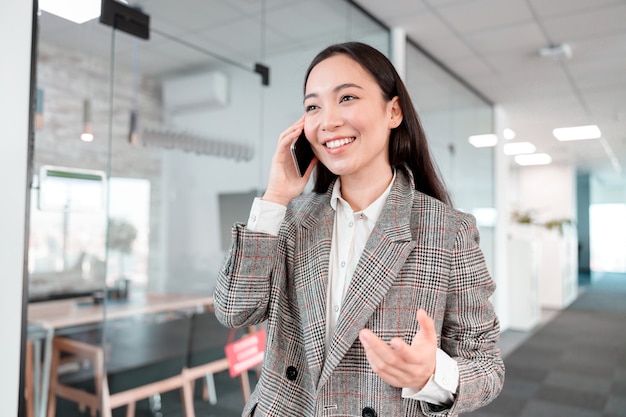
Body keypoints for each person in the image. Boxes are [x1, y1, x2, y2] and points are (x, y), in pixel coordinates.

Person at [214, 41, 504, 417]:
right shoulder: (289, 218)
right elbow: (234, 311)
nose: (328, 120)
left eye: (347, 98)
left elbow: (487, 365)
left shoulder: (448, 231)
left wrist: (432, 374)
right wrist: (274, 198)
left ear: (394, 111)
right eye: (313, 106)